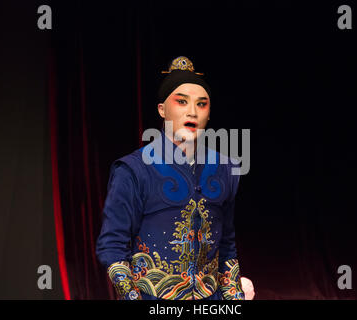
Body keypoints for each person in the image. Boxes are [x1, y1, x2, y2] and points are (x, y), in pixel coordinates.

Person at [96, 56, 245, 300]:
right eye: (182, 102)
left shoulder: (226, 169)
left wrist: (235, 298)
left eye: (202, 104)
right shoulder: (134, 170)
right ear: (162, 109)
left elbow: (226, 246)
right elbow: (112, 245)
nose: (192, 112)